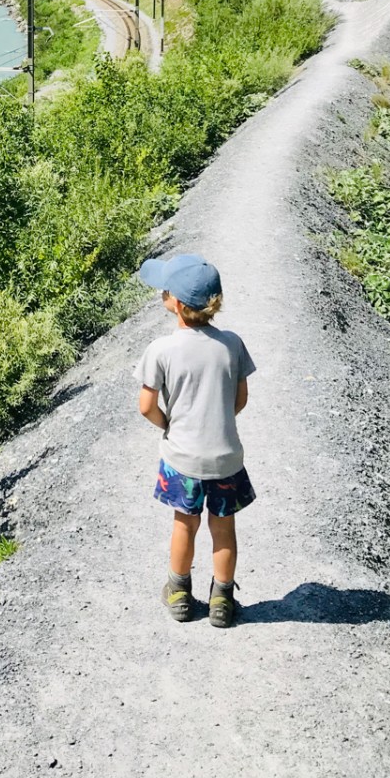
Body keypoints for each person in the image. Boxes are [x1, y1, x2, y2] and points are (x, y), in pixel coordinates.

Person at [133, 252, 255, 628]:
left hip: (182, 458)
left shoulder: (162, 349)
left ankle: (179, 594)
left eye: (166, 289)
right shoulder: (232, 344)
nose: (162, 293)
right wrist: (218, 419)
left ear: (179, 306)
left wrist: (169, 424)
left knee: (184, 524)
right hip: (226, 460)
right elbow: (241, 399)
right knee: (224, 530)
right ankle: (221, 600)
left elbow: (146, 406)